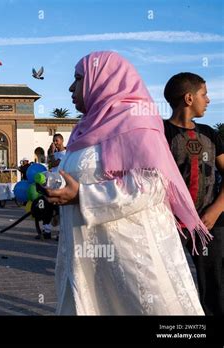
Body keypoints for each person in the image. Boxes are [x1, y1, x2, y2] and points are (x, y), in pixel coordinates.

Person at [47, 51, 210, 315]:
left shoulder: (137, 122)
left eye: (78, 78)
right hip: (86, 255)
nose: (71, 87)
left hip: (128, 255)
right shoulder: (84, 129)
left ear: (104, 80)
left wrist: (84, 196)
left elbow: (153, 185)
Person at [163, 72, 224, 315]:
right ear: (189, 98)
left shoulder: (210, 133)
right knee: (167, 284)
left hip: (211, 223)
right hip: (170, 224)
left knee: (216, 287)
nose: (208, 100)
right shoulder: (160, 134)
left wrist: (216, 209)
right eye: (204, 94)